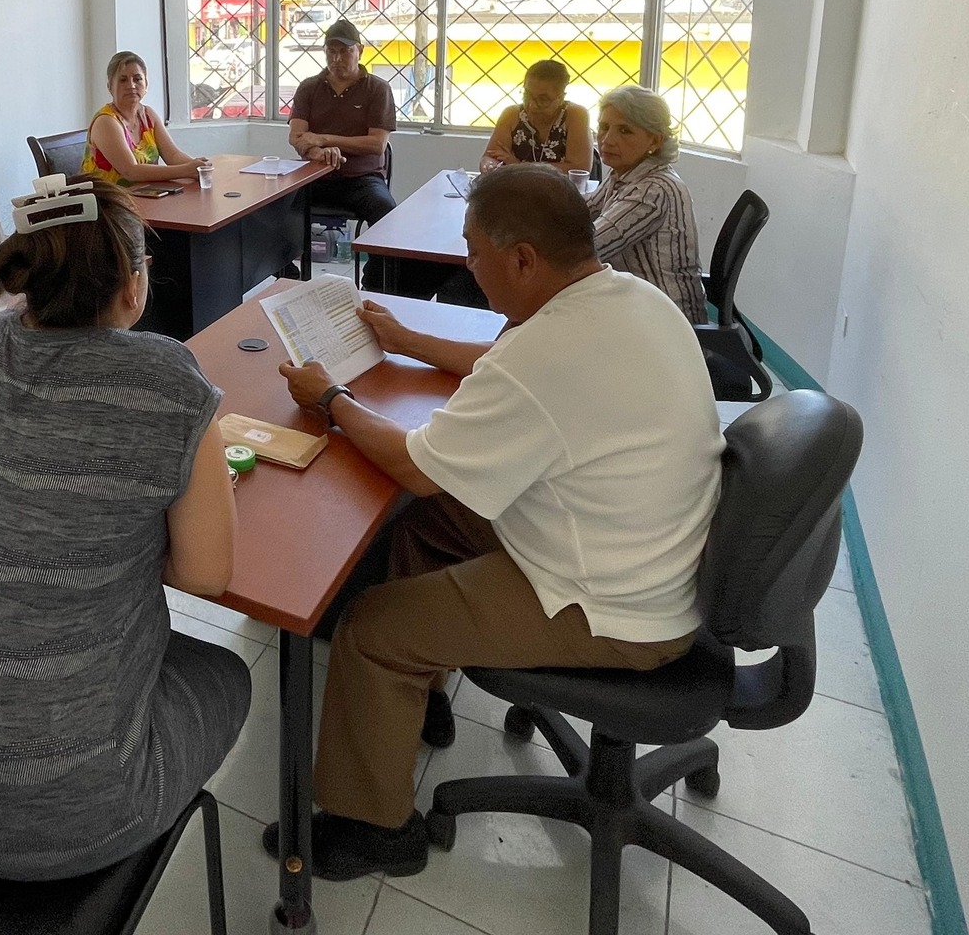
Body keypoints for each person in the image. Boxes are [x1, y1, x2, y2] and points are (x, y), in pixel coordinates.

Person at [264, 165, 722, 880]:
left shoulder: (550, 348)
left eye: (475, 254)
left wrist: (331, 399)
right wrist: (406, 338)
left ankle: (376, 829)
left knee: (373, 628)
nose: (470, 268)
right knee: (431, 521)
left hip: (613, 608)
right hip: (645, 551)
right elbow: (503, 363)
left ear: (523, 259)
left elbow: (415, 464)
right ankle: (414, 698)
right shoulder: (627, 299)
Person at [0, 179, 249, 880]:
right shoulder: (170, 383)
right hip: (67, 811)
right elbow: (206, 575)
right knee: (227, 673)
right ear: (133, 283)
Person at [591, 84, 703, 322]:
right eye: (604, 127)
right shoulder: (626, 172)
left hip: (667, 321)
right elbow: (583, 209)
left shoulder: (652, 190)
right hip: (639, 306)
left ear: (655, 141)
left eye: (625, 131)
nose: (607, 140)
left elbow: (588, 248)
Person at [289, 19, 398, 225]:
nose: (337, 59)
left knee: (387, 212)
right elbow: (296, 136)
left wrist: (324, 139)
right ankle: (288, 249)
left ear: (360, 51)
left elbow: (377, 144)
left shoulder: (377, 89)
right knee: (271, 205)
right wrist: (318, 153)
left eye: (344, 51)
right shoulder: (308, 87)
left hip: (361, 178)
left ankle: (374, 251)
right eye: (331, 52)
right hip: (315, 175)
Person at [83, 50, 206, 185]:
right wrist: (186, 170)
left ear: (146, 84)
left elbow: (173, 155)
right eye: (123, 80)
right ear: (110, 87)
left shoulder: (148, 115)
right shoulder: (105, 122)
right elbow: (131, 171)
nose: (131, 86)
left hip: (147, 193)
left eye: (137, 79)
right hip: (110, 196)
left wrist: (200, 167)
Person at [480, 58, 592, 175]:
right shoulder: (512, 114)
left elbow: (579, 169)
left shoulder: (575, 115)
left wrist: (518, 166)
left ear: (560, 98)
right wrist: (490, 165)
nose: (532, 105)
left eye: (543, 99)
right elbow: (490, 156)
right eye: (527, 95)